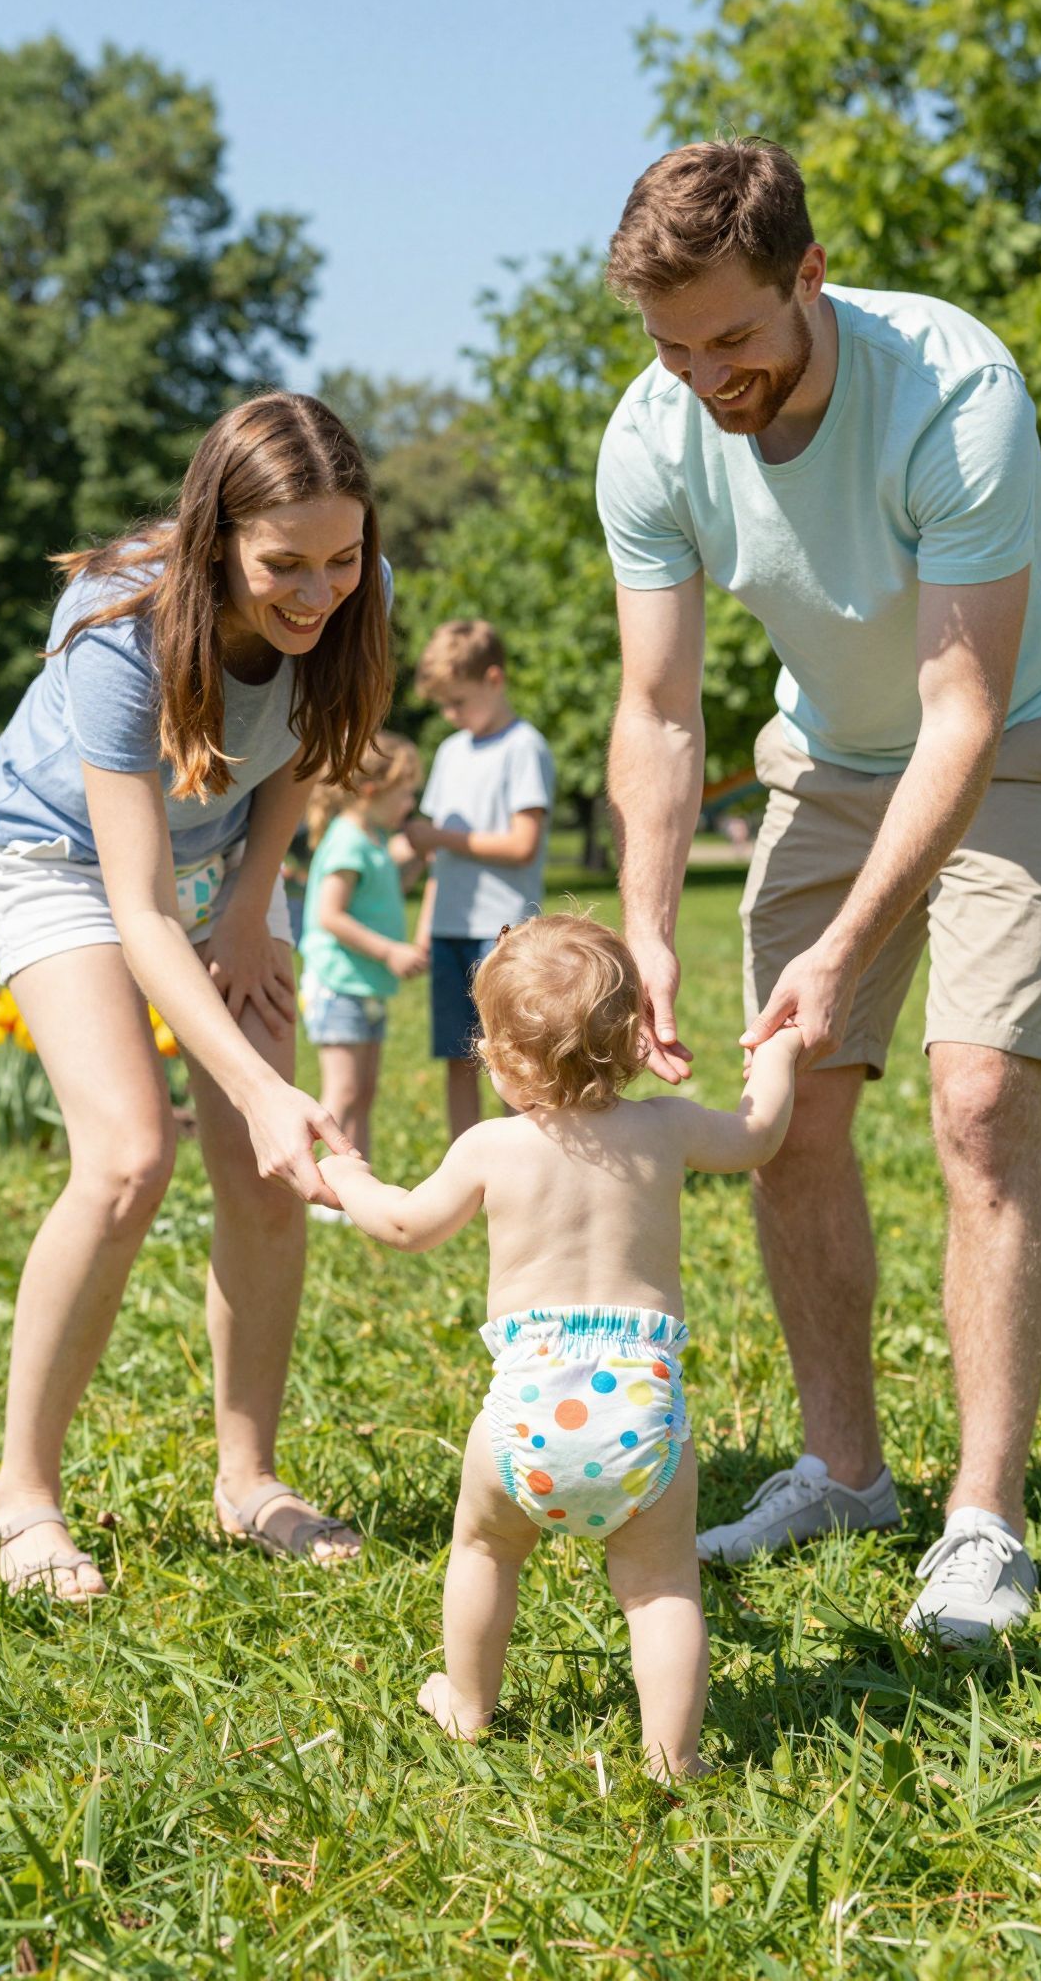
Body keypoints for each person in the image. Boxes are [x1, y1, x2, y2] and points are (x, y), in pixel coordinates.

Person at [597, 138, 1041, 1643]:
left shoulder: (954, 389)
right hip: (829, 761)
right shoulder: (652, 433)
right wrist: (648, 934)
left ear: (808, 275)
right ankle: (845, 1472)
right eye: (671, 345)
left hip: (1021, 744)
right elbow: (660, 715)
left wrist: (849, 943)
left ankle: (984, 1521)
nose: (702, 376)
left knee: (980, 1099)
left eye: (730, 337)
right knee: (788, 1101)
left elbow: (964, 718)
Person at [0, 391, 394, 1598]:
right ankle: (19, 1501)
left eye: (344, 559)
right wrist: (262, 1085)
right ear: (216, 540)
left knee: (269, 1175)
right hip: (65, 861)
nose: (318, 592)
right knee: (125, 1154)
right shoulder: (119, 628)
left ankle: (248, 1481)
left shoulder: (353, 595)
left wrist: (258, 908)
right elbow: (138, 905)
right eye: (285, 567)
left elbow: (297, 766)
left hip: (218, 871)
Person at [318, 913, 804, 1780]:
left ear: (500, 1060)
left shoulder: (489, 1148)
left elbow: (400, 1224)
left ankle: (467, 1704)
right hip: (641, 1414)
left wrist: (345, 1175)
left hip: (527, 1415)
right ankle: (673, 1758)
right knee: (660, 1591)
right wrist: (780, 1048)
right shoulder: (667, 1130)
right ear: (632, 1039)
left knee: (482, 1549)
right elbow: (760, 1133)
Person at [405, 620, 555, 1139]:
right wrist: (425, 926)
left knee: (514, 1055)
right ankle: (465, 1160)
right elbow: (435, 862)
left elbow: (522, 844)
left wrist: (440, 839)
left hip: (503, 932)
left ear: (494, 680)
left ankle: (527, 1158)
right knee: (458, 1053)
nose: (451, 715)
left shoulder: (523, 747)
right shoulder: (450, 751)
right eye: (444, 705)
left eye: (459, 702)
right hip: (450, 925)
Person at [299, 731, 427, 1216]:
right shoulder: (348, 841)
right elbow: (331, 914)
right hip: (339, 986)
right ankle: (323, 1195)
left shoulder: (372, 839)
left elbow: (382, 891)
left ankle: (359, 1185)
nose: (411, 803)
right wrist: (390, 951)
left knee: (364, 1091)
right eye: (406, 792)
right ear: (373, 791)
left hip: (362, 987)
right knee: (342, 1093)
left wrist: (416, 867)